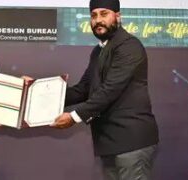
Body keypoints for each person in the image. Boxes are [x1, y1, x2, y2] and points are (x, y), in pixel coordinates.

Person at [51, 0, 159, 179]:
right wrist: (36, 92)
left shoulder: (129, 46)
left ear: (118, 16)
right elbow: (83, 89)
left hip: (131, 140)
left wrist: (73, 117)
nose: (98, 20)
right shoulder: (98, 51)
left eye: (104, 14)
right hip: (109, 142)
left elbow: (110, 90)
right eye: (93, 15)